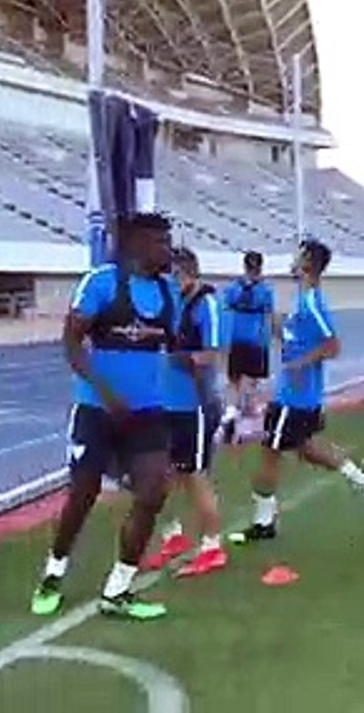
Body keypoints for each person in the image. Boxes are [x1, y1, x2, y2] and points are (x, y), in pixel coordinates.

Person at [31, 213, 179, 620]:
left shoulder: (169, 294)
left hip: (146, 414)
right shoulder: (101, 283)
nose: (168, 250)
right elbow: (72, 343)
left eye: (169, 241)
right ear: (136, 245)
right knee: (83, 494)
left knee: (153, 492)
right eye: (160, 243)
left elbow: (168, 350)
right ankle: (54, 571)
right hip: (96, 410)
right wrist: (105, 390)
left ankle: (118, 589)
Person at [233, 239, 364, 545]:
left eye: (299, 256)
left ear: (308, 264)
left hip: (295, 397)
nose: (293, 261)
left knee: (269, 454)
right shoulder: (301, 301)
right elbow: (296, 341)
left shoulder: (313, 302)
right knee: (307, 449)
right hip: (296, 395)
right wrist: (278, 327)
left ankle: (264, 521)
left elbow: (332, 345)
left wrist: (300, 364)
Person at [143, 247, 228, 578]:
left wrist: (184, 357)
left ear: (185, 272)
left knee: (195, 475)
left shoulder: (206, 303)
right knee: (160, 472)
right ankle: (173, 536)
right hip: (167, 402)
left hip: (195, 406)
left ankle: (212, 546)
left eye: (171, 274)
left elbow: (213, 353)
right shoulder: (171, 303)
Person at [219, 251, 274, 443]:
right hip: (254, 339)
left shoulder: (234, 287)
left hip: (237, 338)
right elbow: (269, 314)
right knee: (250, 379)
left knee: (235, 379)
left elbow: (226, 306)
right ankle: (242, 414)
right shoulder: (265, 290)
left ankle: (232, 410)